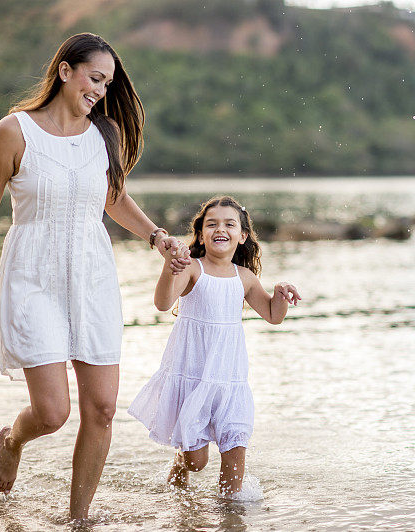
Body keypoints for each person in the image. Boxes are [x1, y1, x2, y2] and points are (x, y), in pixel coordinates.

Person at [0, 33, 190, 520]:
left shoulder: (104, 135)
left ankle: (78, 520)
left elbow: (113, 198)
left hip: (93, 277)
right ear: (65, 71)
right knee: (53, 413)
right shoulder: (14, 132)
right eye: (95, 78)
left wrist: (156, 237)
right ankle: (14, 438)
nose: (101, 91)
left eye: (107, 83)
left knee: (101, 410)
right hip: (33, 278)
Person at [128, 196, 301, 497]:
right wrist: (170, 268)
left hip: (231, 382)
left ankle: (232, 516)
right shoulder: (192, 269)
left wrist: (281, 296)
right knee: (197, 462)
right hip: (195, 378)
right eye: (212, 224)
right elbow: (162, 303)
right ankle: (180, 466)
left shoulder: (244, 277)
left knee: (234, 466)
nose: (220, 228)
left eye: (229, 224)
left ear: (242, 235)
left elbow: (273, 316)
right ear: (201, 234)